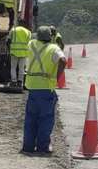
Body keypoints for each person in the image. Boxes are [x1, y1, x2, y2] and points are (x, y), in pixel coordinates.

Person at [22, 25, 66, 155]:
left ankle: (28, 147)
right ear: (50, 37)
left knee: (31, 119)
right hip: (46, 88)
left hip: (32, 87)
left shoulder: (31, 44)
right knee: (45, 119)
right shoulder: (54, 48)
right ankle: (43, 147)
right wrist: (57, 77)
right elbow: (63, 60)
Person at [7, 20, 32, 86]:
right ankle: (20, 82)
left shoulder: (13, 30)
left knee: (13, 67)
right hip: (24, 53)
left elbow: (8, 41)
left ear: (18, 23)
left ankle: (13, 81)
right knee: (21, 68)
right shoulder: (28, 32)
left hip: (14, 52)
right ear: (24, 24)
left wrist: (9, 50)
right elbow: (29, 43)